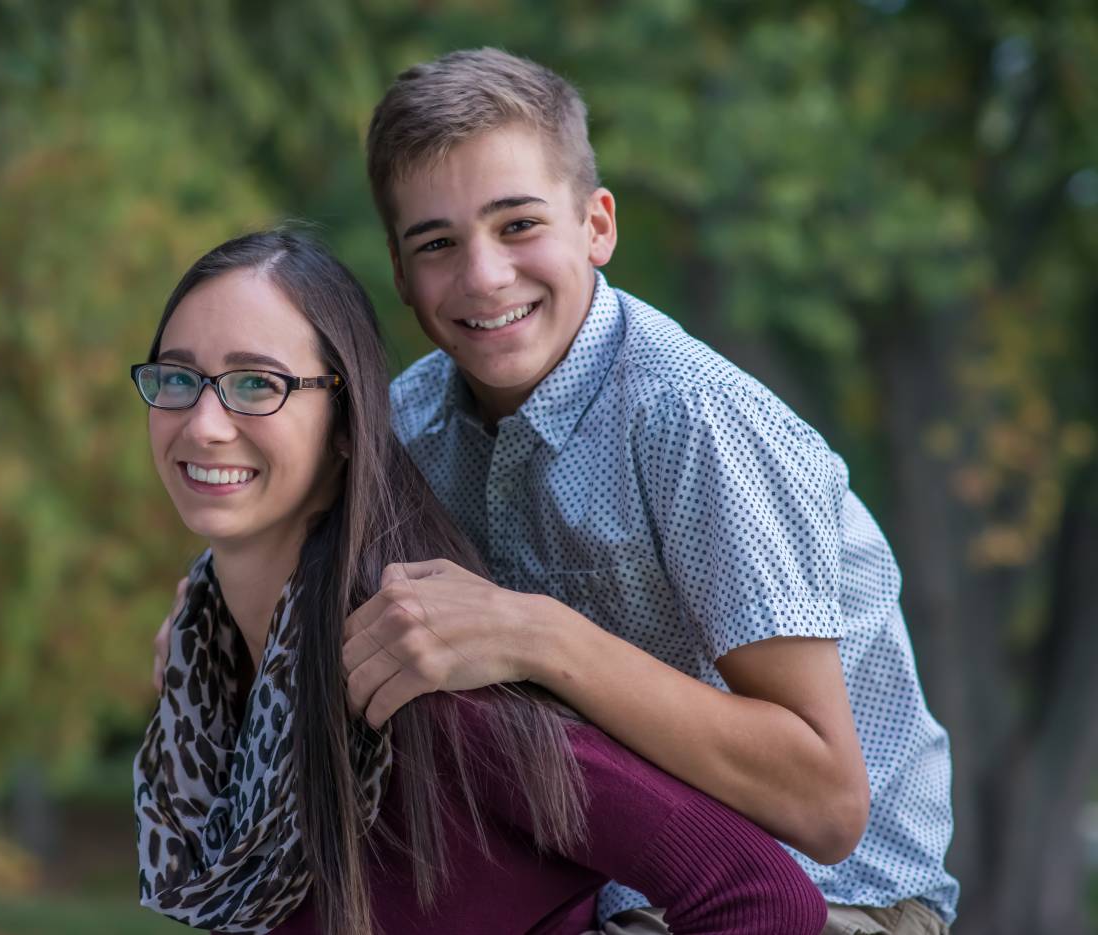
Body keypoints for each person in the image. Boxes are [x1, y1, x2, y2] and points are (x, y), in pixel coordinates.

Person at [344, 48, 958, 935]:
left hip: (832, 898)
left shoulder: (696, 422)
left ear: (596, 226)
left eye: (518, 224)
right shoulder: (407, 429)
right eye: (437, 244)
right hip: (587, 887)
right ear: (401, 275)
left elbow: (825, 802)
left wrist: (536, 634)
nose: (483, 275)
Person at [132, 230, 826, 935]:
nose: (205, 424)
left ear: (346, 424)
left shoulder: (421, 686)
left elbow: (765, 898)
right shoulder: (208, 680)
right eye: (177, 379)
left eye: (257, 383)